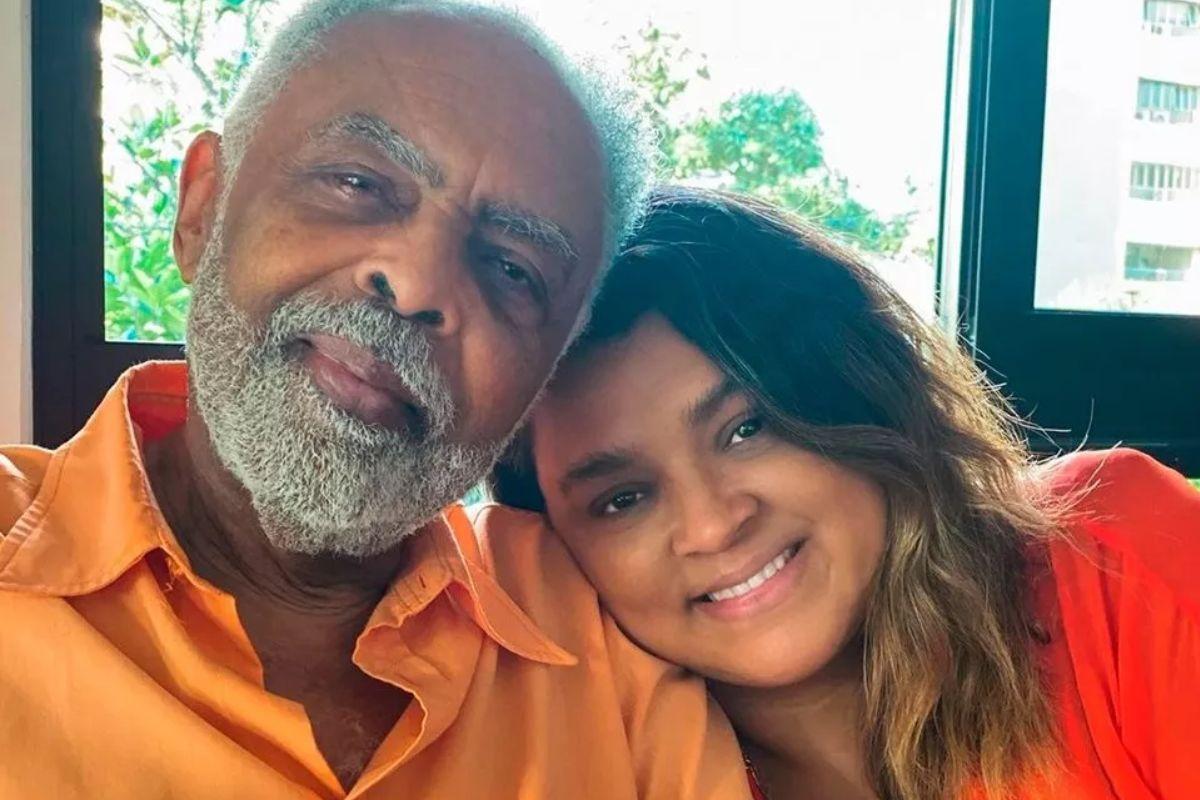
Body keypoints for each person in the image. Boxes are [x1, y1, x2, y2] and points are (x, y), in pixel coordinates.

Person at [0, 5, 751, 798]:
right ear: (201, 212)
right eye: (357, 184)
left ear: (545, 375)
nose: (418, 284)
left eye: (512, 268)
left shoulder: (609, 647)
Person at [494, 186, 1200, 799]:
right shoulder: (597, 775)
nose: (711, 525)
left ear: (862, 389)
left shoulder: (1105, 559)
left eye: (747, 428)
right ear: (552, 544)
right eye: (623, 499)